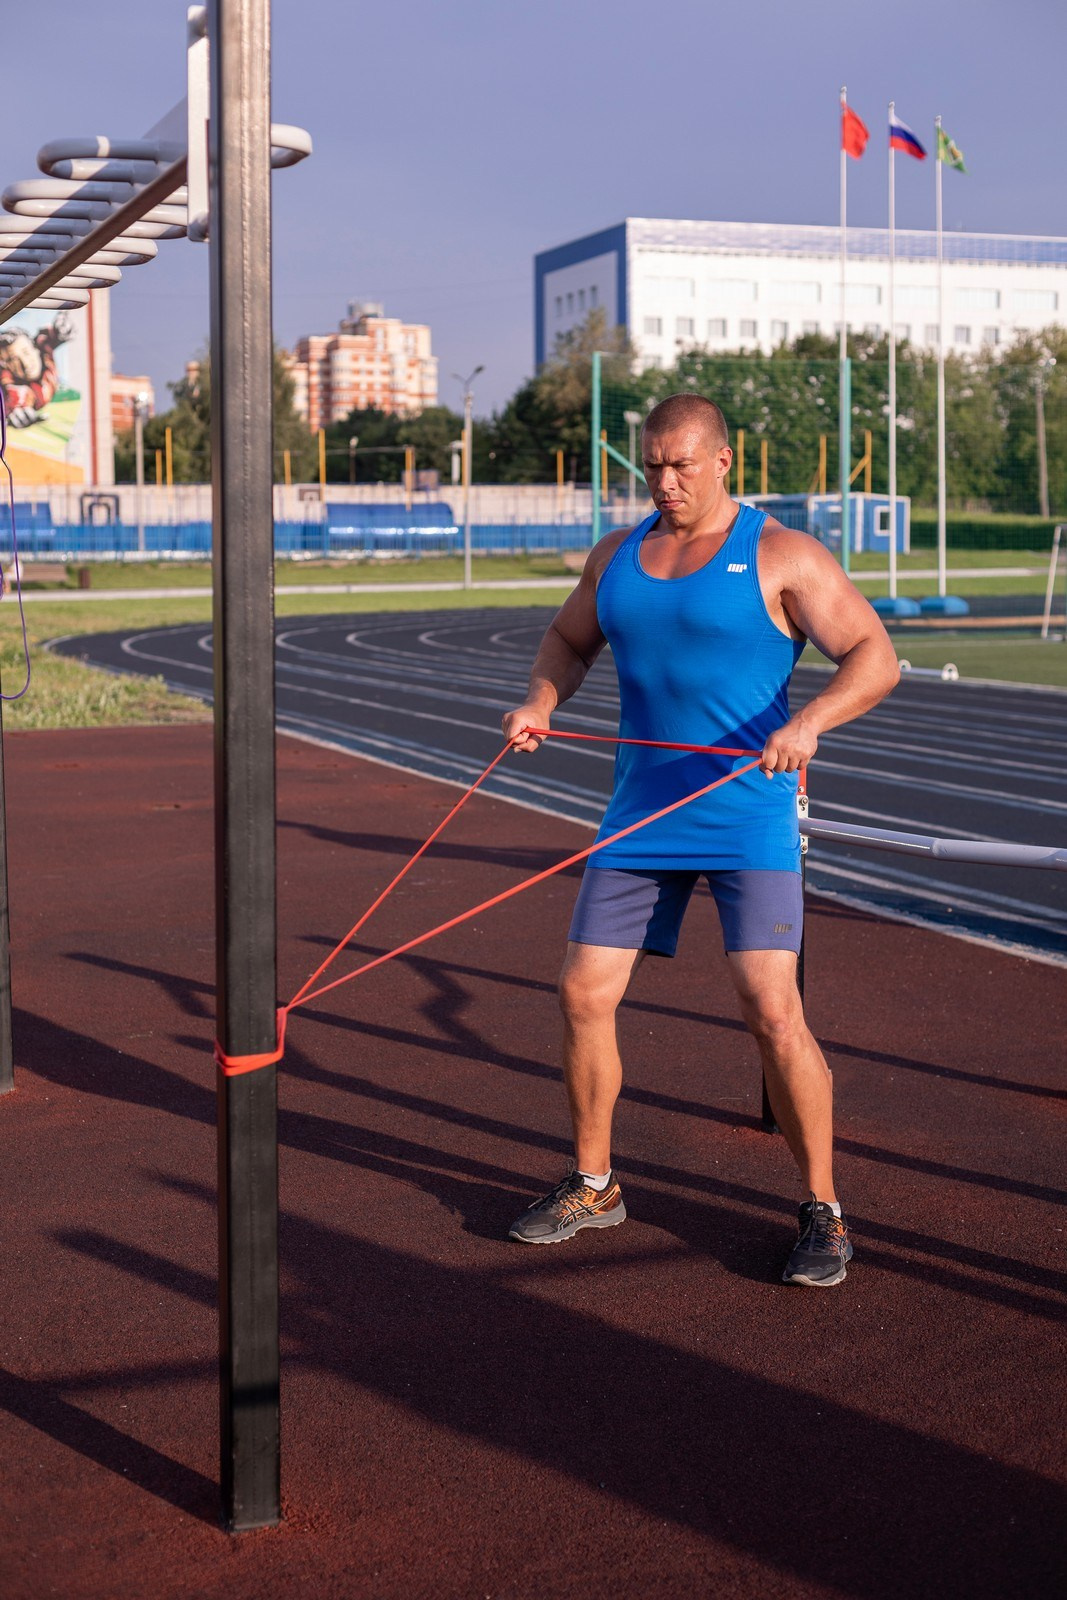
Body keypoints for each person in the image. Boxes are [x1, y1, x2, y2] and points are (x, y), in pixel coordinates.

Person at [501, 392, 899, 1286]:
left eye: (681, 464)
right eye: (652, 466)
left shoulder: (781, 554)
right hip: (639, 816)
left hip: (745, 813)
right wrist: (538, 702)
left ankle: (823, 1211)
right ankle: (595, 1184)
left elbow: (875, 655)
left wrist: (812, 723)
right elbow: (566, 643)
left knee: (771, 1012)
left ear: (725, 461)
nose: (665, 481)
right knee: (581, 994)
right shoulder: (619, 556)